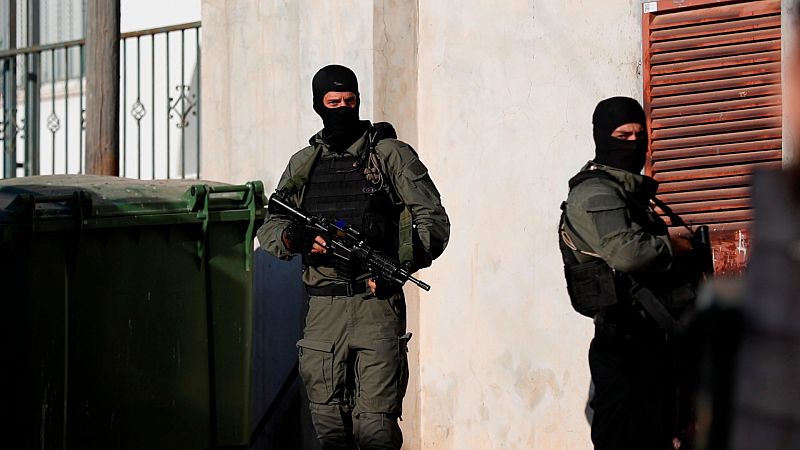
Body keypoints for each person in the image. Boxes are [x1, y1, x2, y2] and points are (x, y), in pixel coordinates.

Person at [257, 64, 450, 450]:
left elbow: (433, 220)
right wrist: (297, 238)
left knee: (376, 428)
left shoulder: (390, 155)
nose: (343, 109)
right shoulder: (304, 163)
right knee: (330, 428)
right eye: (333, 103)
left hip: (375, 302)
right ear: (319, 105)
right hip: (323, 308)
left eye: (350, 101)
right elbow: (271, 226)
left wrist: (402, 265)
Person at [559, 97, 699, 450]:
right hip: (624, 348)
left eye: (640, 136)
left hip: (653, 344)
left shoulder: (626, 193)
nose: (634, 144)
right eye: (623, 136)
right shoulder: (595, 192)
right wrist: (675, 248)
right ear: (602, 137)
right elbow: (625, 252)